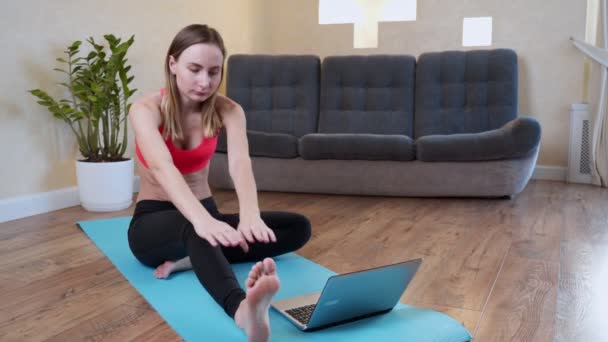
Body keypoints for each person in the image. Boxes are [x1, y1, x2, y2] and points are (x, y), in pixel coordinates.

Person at [127, 24, 311, 342]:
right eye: (194, 69)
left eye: (214, 72)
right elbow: (162, 167)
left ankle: (190, 259)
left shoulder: (229, 110)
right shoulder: (146, 110)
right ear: (172, 64)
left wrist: (250, 214)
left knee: (297, 227)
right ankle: (242, 311)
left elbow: (240, 164)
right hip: (153, 222)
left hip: (206, 215)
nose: (205, 82)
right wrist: (201, 221)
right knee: (197, 229)